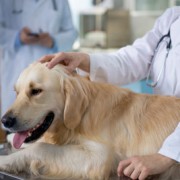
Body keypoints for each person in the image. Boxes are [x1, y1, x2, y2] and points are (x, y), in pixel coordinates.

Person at [39, 6, 180, 180]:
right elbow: (134, 59)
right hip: (161, 136)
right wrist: (85, 60)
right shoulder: (173, 17)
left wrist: (167, 155)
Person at [0, 0, 77, 116]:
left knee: (46, 123)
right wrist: (17, 37)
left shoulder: (60, 2)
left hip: (48, 74)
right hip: (15, 69)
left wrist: (53, 41)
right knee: (14, 120)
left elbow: (72, 33)